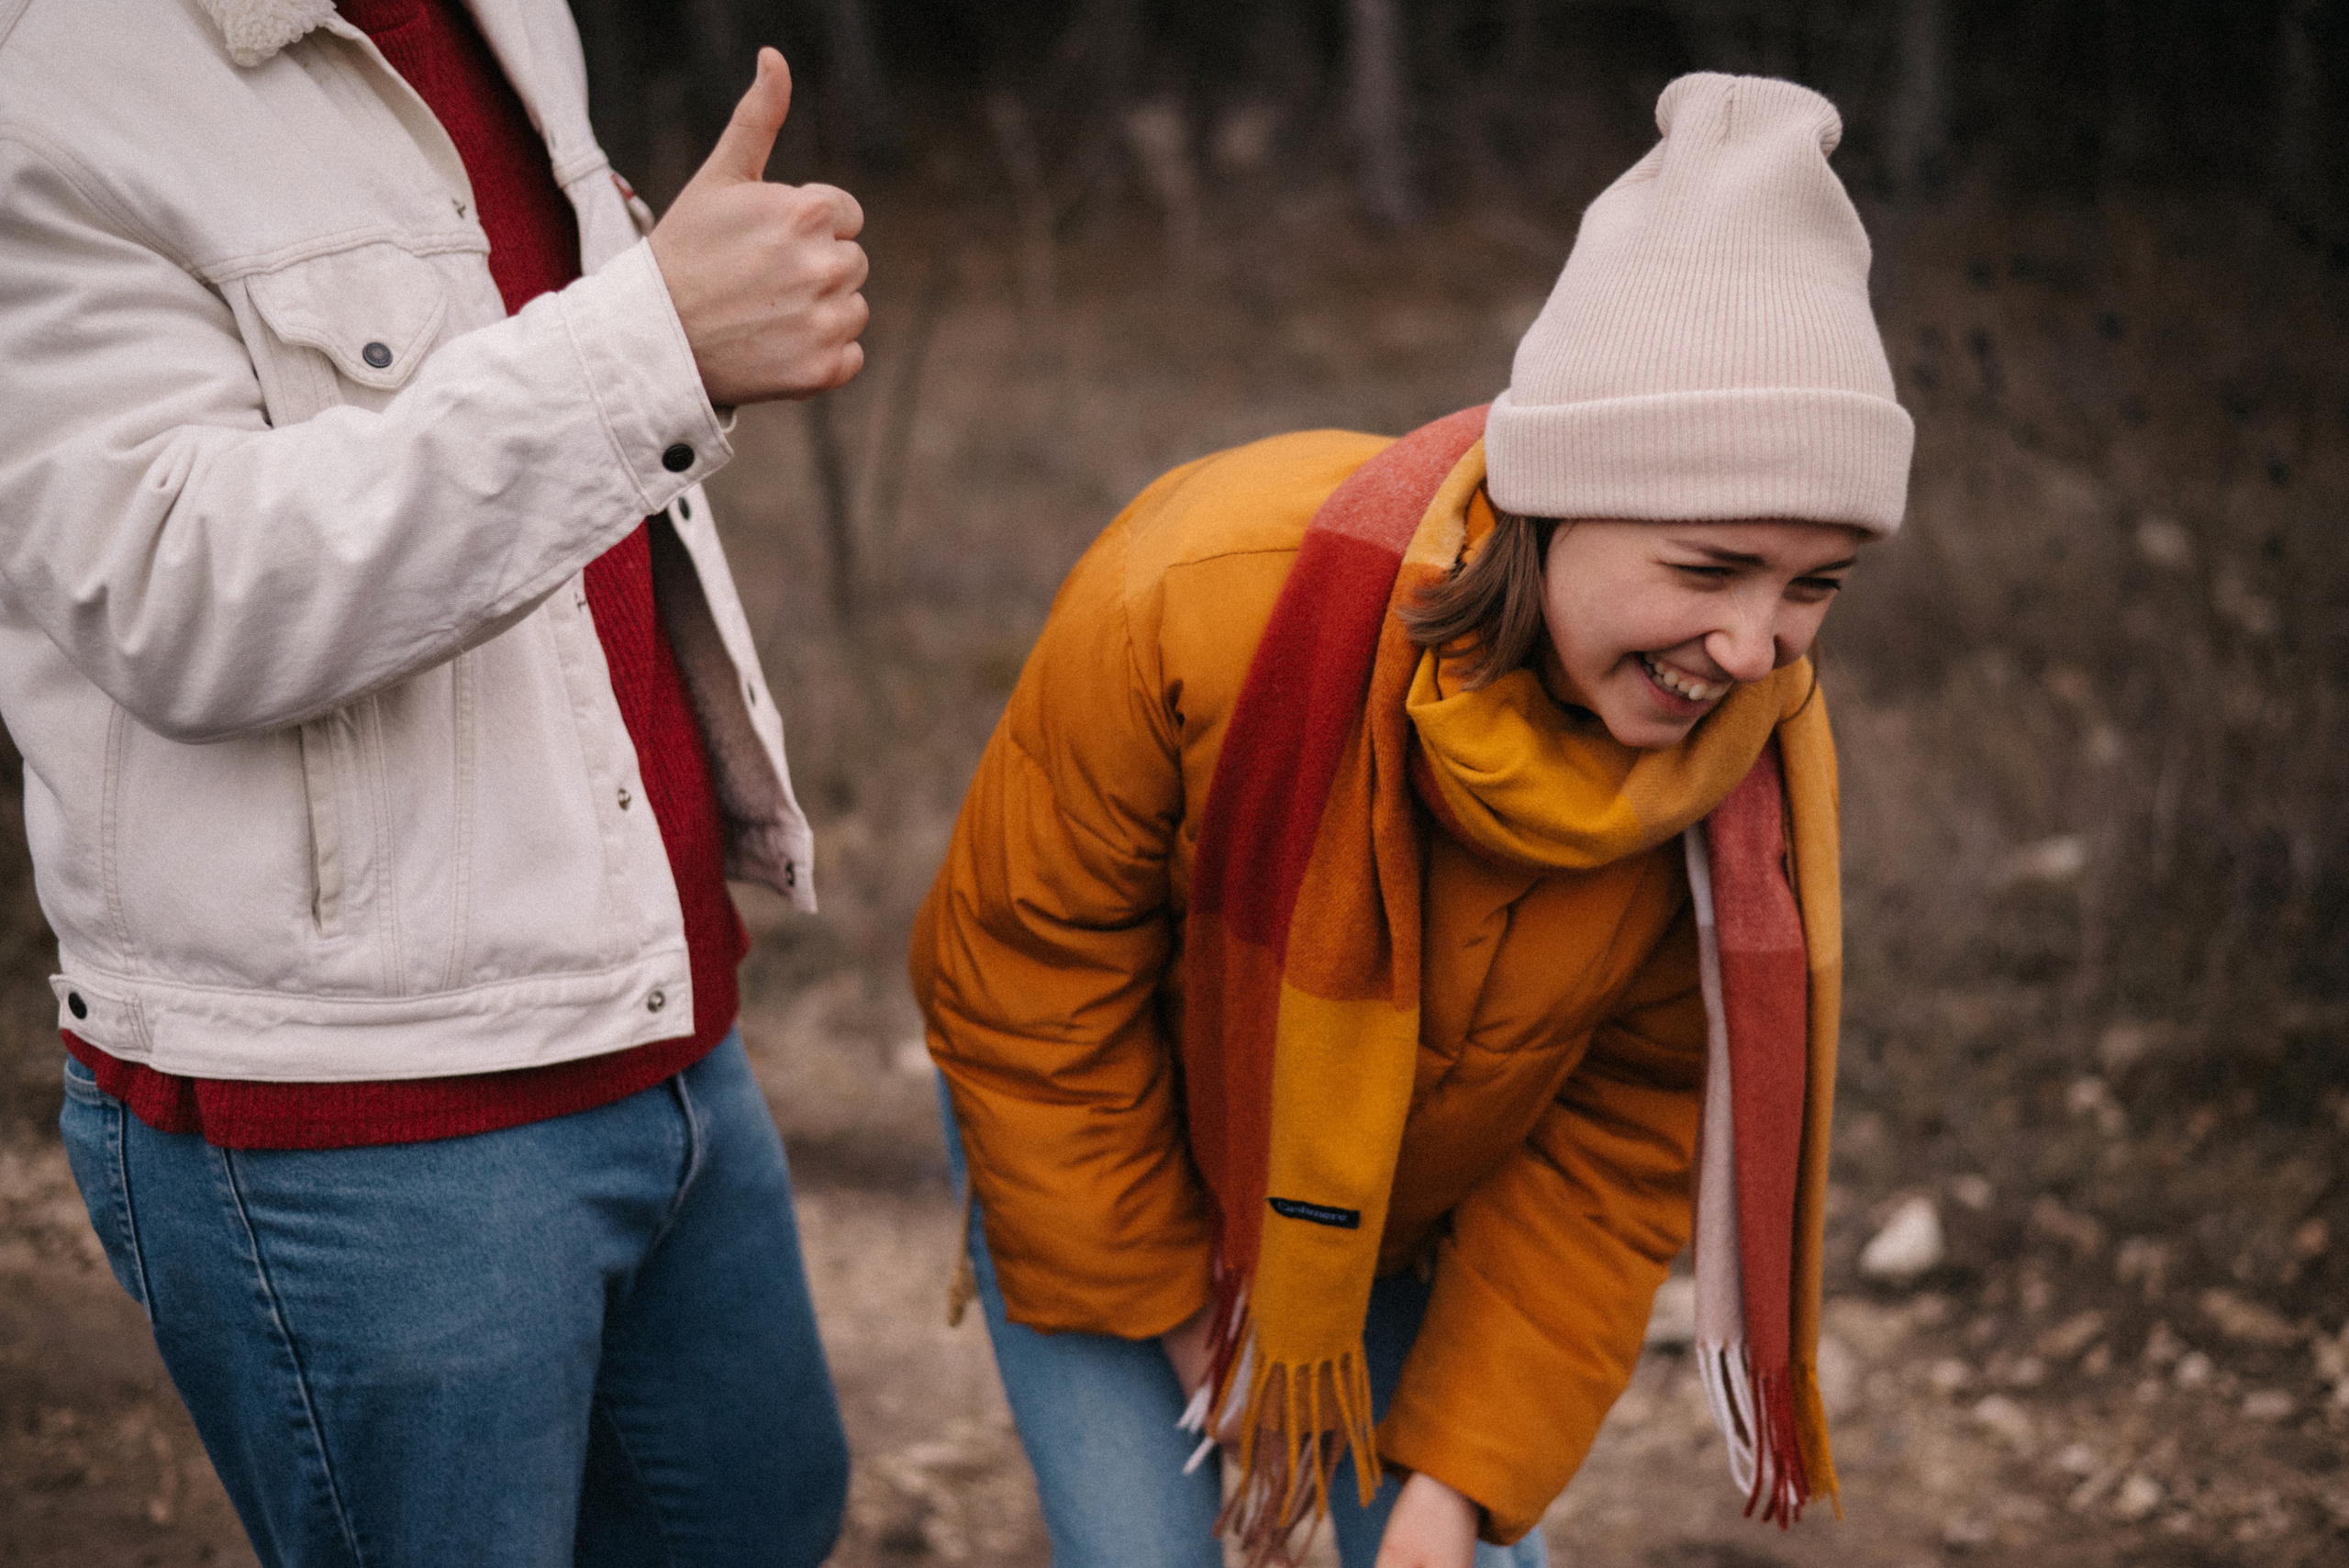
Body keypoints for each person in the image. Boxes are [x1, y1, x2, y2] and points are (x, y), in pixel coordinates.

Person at [911, 73, 1913, 1568]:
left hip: (1425, 1198)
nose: (1758, 650)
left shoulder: (1739, 771)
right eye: (1712, 567)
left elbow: (1620, 1147)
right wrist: (1212, 1345)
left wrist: (1448, 1497)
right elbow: (1024, 987)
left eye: (1813, 585)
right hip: (1112, 1141)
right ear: (1556, 499)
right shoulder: (1200, 596)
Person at [0, 2, 866, 1563]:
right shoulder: (49, 68)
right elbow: (174, 588)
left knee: (764, 1516)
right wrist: (655, 342)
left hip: (662, 1004)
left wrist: (686, 344)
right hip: (360, 1109)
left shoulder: (509, 10)